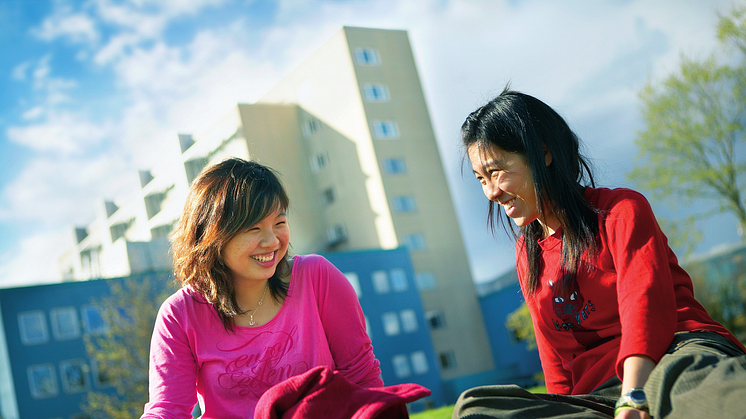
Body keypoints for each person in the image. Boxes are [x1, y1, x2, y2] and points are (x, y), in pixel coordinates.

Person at [453, 87, 746, 419]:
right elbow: (555, 363)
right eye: (480, 179)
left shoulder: (620, 211)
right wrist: (561, 406)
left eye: (496, 171)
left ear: (542, 153)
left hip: (673, 355)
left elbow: (644, 306)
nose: (490, 192)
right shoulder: (527, 253)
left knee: (708, 394)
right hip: (602, 393)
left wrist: (634, 397)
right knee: (476, 409)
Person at [141, 158, 383, 419]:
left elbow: (362, 379)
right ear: (212, 236)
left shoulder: (317, 278)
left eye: (279, 223)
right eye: (254, 228)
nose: (272, 241)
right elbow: (167, 411)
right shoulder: (180, 315)